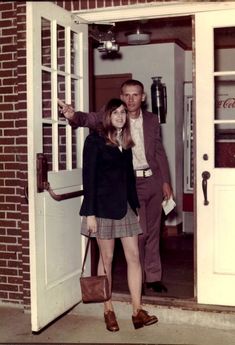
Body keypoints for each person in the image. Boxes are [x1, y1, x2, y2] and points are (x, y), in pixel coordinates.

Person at [58, 79, 173, 293]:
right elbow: (89, 119)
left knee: (154, 231)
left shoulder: (152, 120)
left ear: (143, 97)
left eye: (135, 95)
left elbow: (159, 152)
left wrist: (166, 181)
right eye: (126, 95)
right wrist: (73, 115)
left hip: (153, 180)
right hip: (128, 183)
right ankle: (137, 278)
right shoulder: (115, 115)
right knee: (138, 233)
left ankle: (154, 276)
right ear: (121, 97)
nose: (130, 99)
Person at [79, 98, 158, 332]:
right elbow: (89, 179)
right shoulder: (94, 141)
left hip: (125, 208)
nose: (121, 116)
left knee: (134, 256)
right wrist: (90, 213)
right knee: (108, 260)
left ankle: (137, 311)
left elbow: (128, 178)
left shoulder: (126, 141)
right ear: (107, 116)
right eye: (116, 112)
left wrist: (134, 205)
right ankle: (108, 310)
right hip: (102, 209)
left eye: (123, 112)